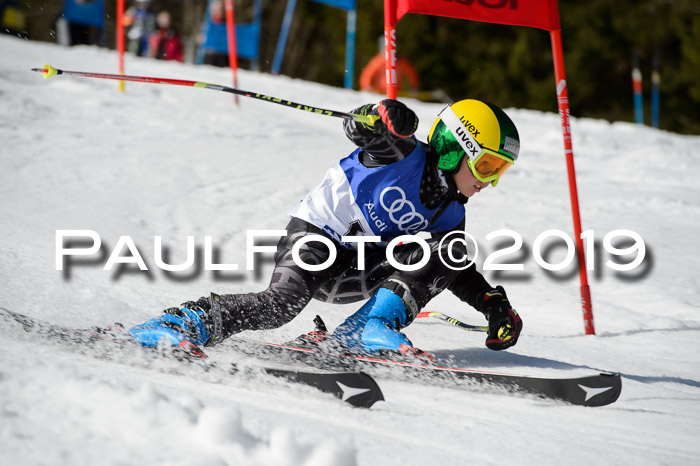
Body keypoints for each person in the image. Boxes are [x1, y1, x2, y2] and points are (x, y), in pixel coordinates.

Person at [129, 99, 523, 360]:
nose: (489, 181)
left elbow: (454, 269)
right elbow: (360, 129)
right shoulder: (403, 153)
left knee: (446, 251)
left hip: (361, 266)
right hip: (317, 239)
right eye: (487, 165)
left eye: (500, 171)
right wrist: (381, 115)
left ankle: (363, 332)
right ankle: (176, 324)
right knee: (279, 306)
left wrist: (493, 303)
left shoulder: (452, 211)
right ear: (457, 147)